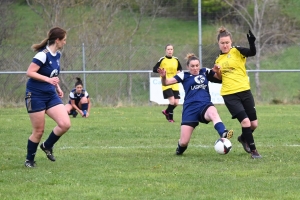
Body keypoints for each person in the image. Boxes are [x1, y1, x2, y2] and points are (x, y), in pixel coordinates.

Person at [157, 53, 233, 155]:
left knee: (213, 113)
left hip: (205, 105)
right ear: (188, 67)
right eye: (192, 66)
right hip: (190, 109)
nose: (195, 68)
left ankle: (223, 132)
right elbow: (166, 82)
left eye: (197, 65)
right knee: (184, 142)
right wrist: (163, 77)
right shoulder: (184, 75)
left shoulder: (205, 71)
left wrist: (217, 71)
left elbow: (219, 78)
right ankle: (179, 150)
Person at [24, 27, 71, 167]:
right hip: (35, 95)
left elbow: (53, 74)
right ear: (57, 40)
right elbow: (30, 72)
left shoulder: (58, 55)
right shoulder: (42, 55)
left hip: (50, 94)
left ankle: (47, 145)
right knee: (38, 131)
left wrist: (57, 87)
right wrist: (48, 80)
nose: (65, 42)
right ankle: (29, 160)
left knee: (65, 124)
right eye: (64, 40)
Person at [214, 26, 261, 159]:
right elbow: (219, 79)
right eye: (222, 43)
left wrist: (252, 42)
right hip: (229, 94)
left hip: (245, 91)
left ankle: (243, 138)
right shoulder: (218, 60)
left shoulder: (237, 51)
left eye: (227, 42)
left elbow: (252, 52)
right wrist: (216, 72)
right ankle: (254, 152)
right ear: (219, 44)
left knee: (254, 124)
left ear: (231, 42)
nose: (225, 45)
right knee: (245, 122)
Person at [153, 44, 182, 123]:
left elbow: (180, 68)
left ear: (173, 50)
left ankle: (166, 111)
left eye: (171, 49)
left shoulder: (176, 59)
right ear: (165, 50)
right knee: (172, 101)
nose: (170, 51)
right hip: (166, 82)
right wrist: (160, 71)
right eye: (168, 49)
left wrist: (179, 71)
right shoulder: (162, 59)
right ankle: (170, 118)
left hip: (174, 82)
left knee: (176, 103)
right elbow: (154, 69)